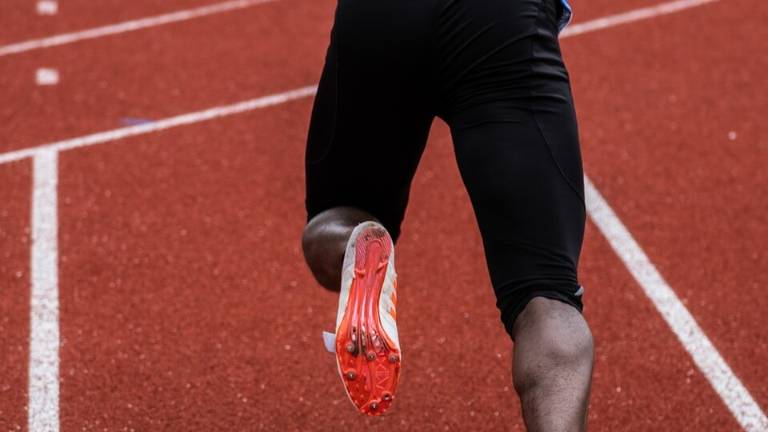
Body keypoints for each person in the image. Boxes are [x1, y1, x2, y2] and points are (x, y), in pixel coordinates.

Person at [302, 0, 594, 429]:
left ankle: (353, 243)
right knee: (546, 297)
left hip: (381, 19)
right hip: (500, 24)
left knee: (333, 217)